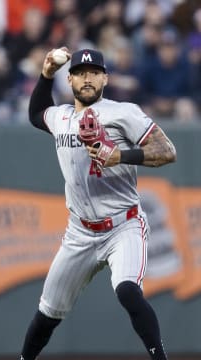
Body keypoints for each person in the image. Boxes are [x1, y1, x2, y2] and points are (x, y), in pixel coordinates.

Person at [19, 47, 176, 360]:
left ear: (105, 77)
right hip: (80, 232)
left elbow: (167, 150)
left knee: (128, 290)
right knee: (48, 313)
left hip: (124, 224)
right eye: (79, 73)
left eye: (93, 72)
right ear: (71, 80)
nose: (86, 78)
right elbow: (37, 114)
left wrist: (121, 155)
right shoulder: (62, 116)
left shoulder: (123, 112)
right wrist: (46, 74)